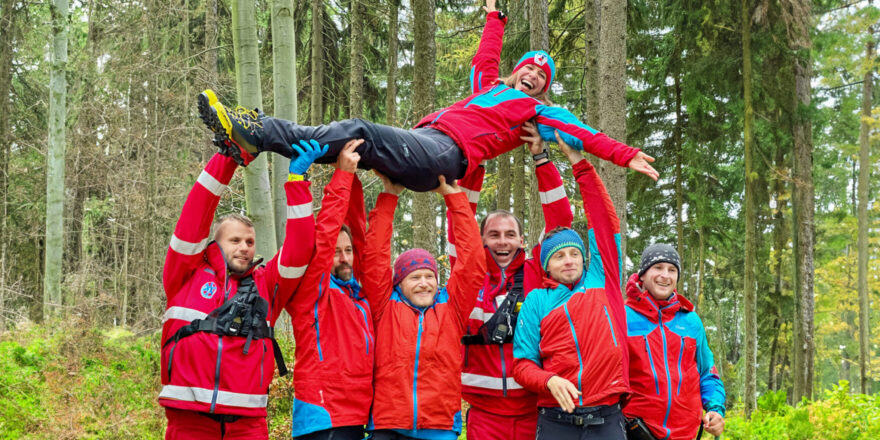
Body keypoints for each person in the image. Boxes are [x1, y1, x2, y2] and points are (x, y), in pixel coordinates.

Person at [194, 0, 658, 192]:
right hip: (428, 140)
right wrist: (494, 16)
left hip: (445, 155)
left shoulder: (534, 112)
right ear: (517, 71)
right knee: (354, 141)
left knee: (360, 129)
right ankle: (250, 144)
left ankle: (258, 131)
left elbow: (581, 132)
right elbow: (485, 58)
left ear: (543, 89)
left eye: (542, 76)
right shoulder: (489, 90)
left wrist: (626, 154)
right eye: (529, 68)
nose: (534, 75)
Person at [159, 142, 322, 439]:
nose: (244, 247)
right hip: (189, 421)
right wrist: (229, 157)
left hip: (247, 425)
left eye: (249, 242)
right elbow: (194, 217)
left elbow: (300, 249)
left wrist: (298, 182)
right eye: (235, 241)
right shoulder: (185, 274)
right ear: (215, 243)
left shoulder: (266, 284)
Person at [456, 124, 574, 440]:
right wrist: (477, 161)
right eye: (493, 235)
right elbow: (459, 216)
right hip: (483, 416)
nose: (502, 242)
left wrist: (541, 159)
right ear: (481, 239)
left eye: (510, 235)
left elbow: (561, 223)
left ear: (522, 240)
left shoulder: (537, 272)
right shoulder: (467, 273)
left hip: (534, 410)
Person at [512, 134, 630, 440]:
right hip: (556, 420)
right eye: (559, 256)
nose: (568, 261)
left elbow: (603, 220)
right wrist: (548, 380)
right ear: (546, 266)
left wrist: (579, 162)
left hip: (607, 418)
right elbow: (522, 365)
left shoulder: (602, 281)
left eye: (574, 253)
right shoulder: (537, 300)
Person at [360, 172, 487, 440]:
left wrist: (454, 199)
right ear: (399, 283)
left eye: (429, 276)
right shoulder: (385, 306)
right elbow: (374, 257)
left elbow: (473, 263)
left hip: (439, 427)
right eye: (414, 277)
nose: (424, 283)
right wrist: (389, 196)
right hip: (388, 425)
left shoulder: (451, 308)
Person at [283, 140, 376, 439]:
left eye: (347, 251)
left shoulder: (359, 297)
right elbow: (325, 236)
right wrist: (342, 177)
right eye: (337, 252)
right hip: (324, 417)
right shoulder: (314, 291)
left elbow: (359, 233)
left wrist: (354, 178)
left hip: (357, 416)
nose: (344, 257)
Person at [622, 244, 726, 440]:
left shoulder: (691, 321)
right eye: (658, 267)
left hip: (685, 434)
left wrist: (715, 408)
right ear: (642, 274)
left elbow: (707, 373)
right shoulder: (622, 316)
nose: (665, 275)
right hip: (634, 432)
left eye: (672, 270)